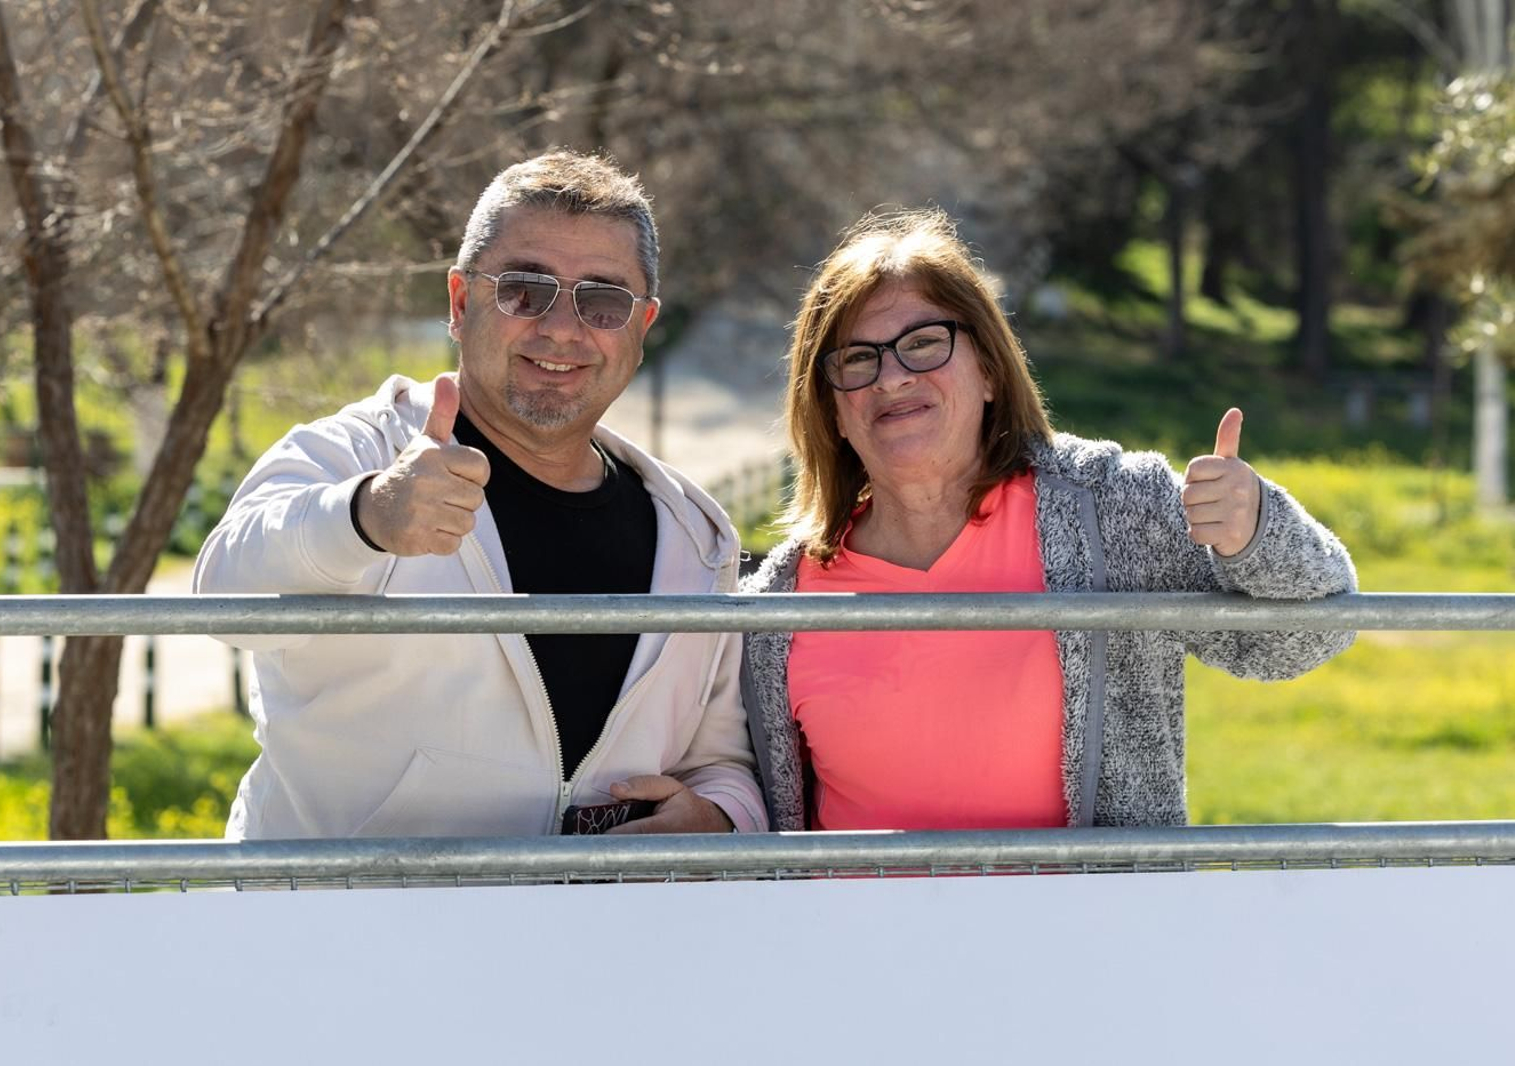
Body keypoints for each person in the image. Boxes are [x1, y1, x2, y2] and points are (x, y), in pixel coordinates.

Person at [195, 151, 764, 839]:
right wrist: (365, 516)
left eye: (603, 302)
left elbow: (719, 761)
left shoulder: (694, 535)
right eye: (525, 290)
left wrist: (719, 819)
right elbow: (224, 593)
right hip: (341, 907)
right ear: (461, 303)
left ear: (640, 329)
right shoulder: (360, 455)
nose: (561, 328)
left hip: (592, 913)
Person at [741, 208, 1356, 832]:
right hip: (851, 903)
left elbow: (1307, 637)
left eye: (924, 343)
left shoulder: (1112, 508)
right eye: (857, 359)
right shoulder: (775, 607)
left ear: (988, 370)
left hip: (1087, 902)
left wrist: (1255, 532)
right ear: (833, 410)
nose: (893, 377)